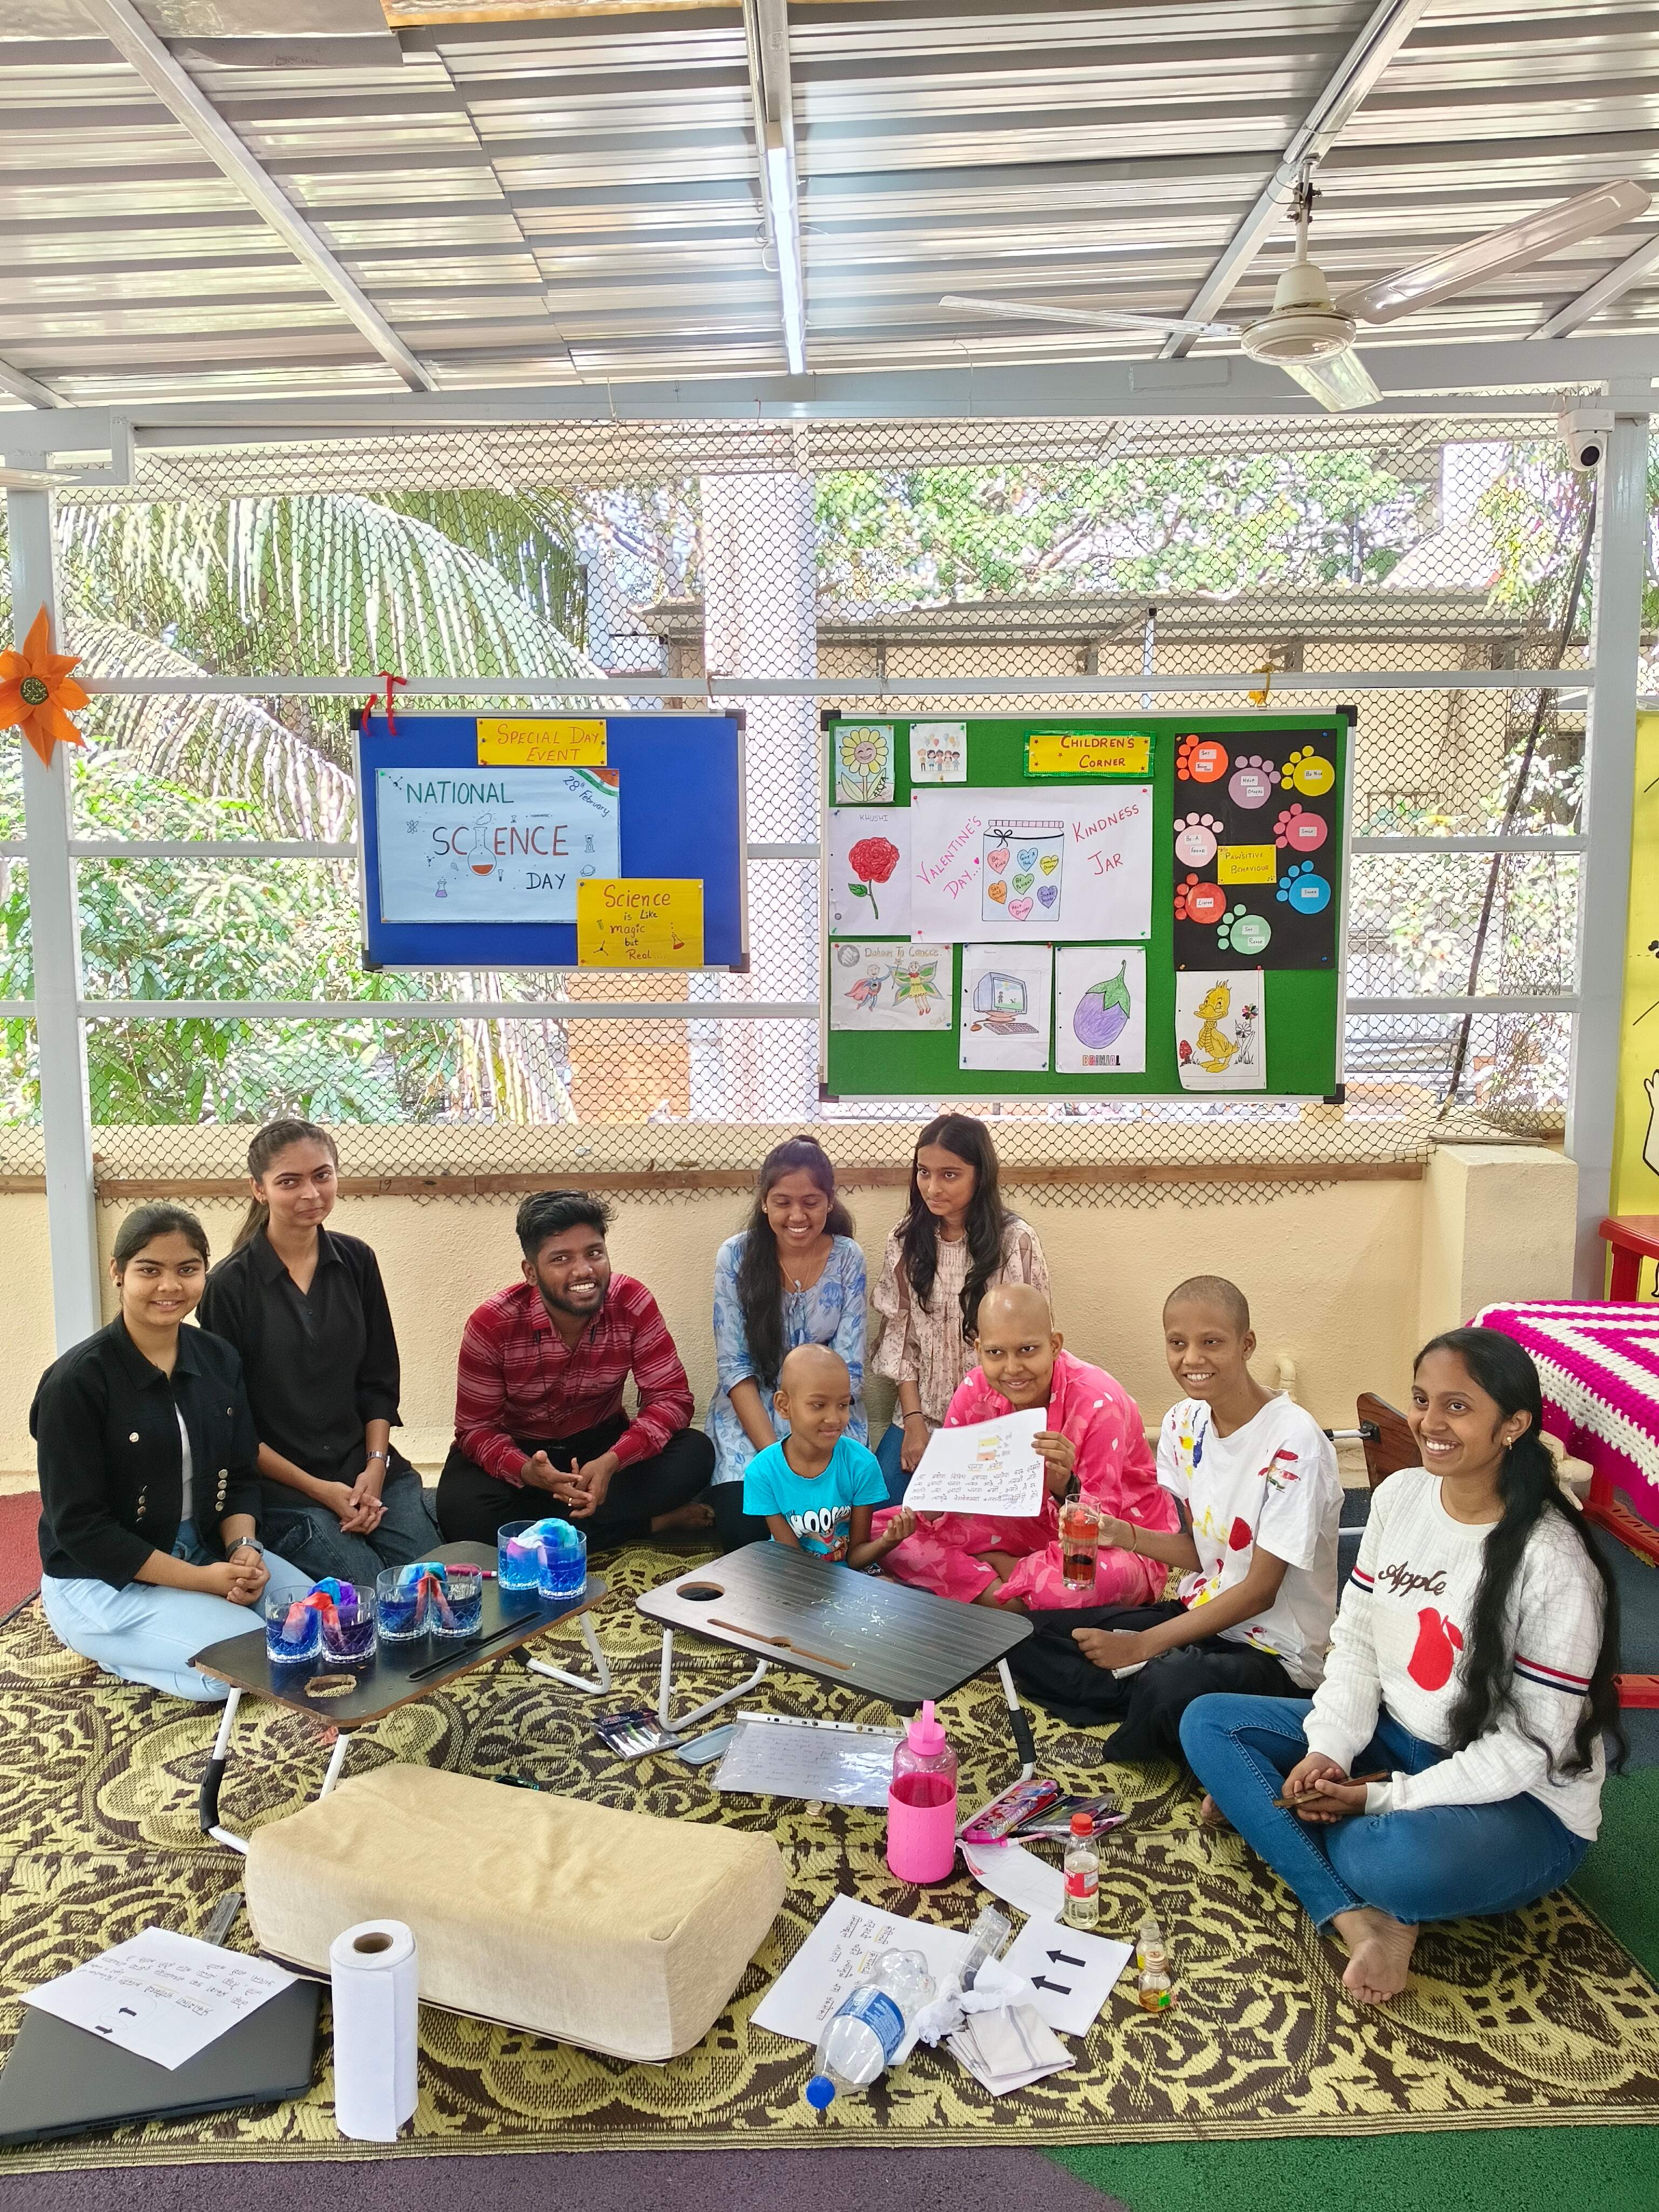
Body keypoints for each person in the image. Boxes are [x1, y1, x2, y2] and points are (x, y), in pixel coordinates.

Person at [1181, 1328, 1623, 2008]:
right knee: (1208, 1722)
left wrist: (1381, 1799)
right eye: (1422, 1400)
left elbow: (1528, 1750)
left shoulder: (1554, 1559)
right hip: (1399, 1738)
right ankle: (1358, 1917)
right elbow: (1357, 1644)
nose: (1429, 1423)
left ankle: (1285, 1823)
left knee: (1383, 1857)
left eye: (1457, 1406)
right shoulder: (1400, 1498)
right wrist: (1329, 1751)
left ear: (1513, 1425)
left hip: (1523, 1802)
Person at [1009, 1274, 1341, 1759]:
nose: (1192, 1359)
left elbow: (1259, 1591)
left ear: (1247, 1345)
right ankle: (1150, 1693)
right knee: (1033, 1634)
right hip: (1201, 1618)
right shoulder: (1185, 1422)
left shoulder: (1295, 1445)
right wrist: (1123, 1534)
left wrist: (1143, 1645)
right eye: (1178, 1343)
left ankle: (1151, 1688)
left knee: (1171, 1683)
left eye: (1212, 1343)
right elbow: (1203, 1552)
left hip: (1273, 1652)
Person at [32, 1204, 312, 1702]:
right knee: (246, 1662)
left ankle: (176, 1632)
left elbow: (240, 1475)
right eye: (149, 1270)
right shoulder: (75, 1383)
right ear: (118, 1272)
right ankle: (109, 1647)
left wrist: (243, 1549)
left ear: (205, 1271)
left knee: (318, 1623)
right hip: (102, 1578)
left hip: (204, 1545)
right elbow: (80, 1527)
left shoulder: (218, 1358)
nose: (170, 1286)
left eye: (187, 1269)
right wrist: (202, 1582)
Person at [197, 1120, 440, 1584]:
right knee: (365, 1594)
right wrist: (323, 1491)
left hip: (368, 1470)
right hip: (287, 1489)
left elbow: (379, 1381)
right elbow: (233, 1424)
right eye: (290, 1182)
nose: (311, 1193)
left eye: (322, 1176)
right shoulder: (228, 1286)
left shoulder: (357, 1261)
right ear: (259, 1189)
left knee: (431, 1581)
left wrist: (375, 1467)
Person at [436, 1189, 716, 1548]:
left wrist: (612, 1461)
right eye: (561, 1259)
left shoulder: (632, 1302)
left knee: (695, 1453)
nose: (584, 1270)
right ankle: (648, 1525)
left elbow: (672, 1398)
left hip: (601, 1447)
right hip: (524, 1456)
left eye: (594, 1253)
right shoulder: (491, 1325)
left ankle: (545, 1532)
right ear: (531, 1273)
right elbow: (476, 1430)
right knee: (461, 1510)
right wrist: (528, 1472)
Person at [871, 1283, 1178, 1608]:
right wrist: (931, 1500)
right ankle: (1013, 1599)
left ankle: (994, 1585)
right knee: (883, 1534)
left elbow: (1102, 1527)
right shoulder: (975, 1389)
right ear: (979, 1350)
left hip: (1111, 1540)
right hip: (1011, 1526)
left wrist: (1064, 1487)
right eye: (995, 1353)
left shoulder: (1100, 1403)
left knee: (1080, 1581)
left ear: (1054, 1345)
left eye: (1027, 1350)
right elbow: (949, 1493)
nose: (1013, 1368)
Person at [869, 1114, 1049, 1502]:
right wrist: (914, 1423)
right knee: (883, 1513)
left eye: (949, 1175)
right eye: (924, 1172)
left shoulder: (1015, 1242)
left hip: (997, 1420)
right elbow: (901, 1344)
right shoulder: (905, 1240)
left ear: (980, 1176)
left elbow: (1032, 1349)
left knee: (980, 1520)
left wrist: (1010, 1431)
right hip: (922, 1416)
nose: (932, 1188)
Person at [706, 1137, 867, 1550]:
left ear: (829, 1202)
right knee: (746, 1532)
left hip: (826, 1412)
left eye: (811, 1202)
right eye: (783, 1202)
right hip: (754, 1418)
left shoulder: (848, 1258)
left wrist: (812, 1446)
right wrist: (776, 1462)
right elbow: (735, 1369)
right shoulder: (735, 1257)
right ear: (764, 1203)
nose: (797, 1216)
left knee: (831, 1531)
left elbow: (850, 1369)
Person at [743, 1345, 906, 1568]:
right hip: (795, 1571)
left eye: (843, 1405)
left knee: (891, 1586)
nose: (834, 1419)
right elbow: (793, 1559)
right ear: (784, 1406)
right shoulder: (762, 1473)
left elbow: (856, 1557)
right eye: (818, 1405)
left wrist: (888, 1541)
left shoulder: (862, 1465)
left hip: (851, 1575)